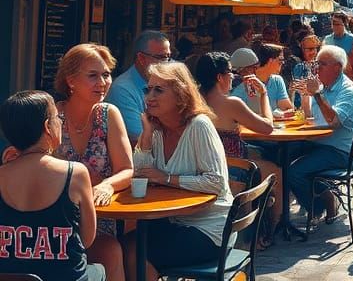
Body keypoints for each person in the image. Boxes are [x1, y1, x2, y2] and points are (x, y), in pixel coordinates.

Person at [125, 62, 232, 281]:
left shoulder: (198, 126)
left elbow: (216, 182)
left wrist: (166, 178)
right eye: (148, 89)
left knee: (138, 254)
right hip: (176, 219)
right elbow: (141, 175)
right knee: (123, 244)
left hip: (209, 228)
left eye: (159, 90)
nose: (149, 97)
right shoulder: (157, 128)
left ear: (180, 94)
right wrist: (146, 136)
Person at [0, 90, 103, 281]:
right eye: (58, 117)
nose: (61, 122)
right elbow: (87, 239)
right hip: (66, 277)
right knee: (99, 270)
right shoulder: (75, 173)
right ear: (48, 126)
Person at [54, 44, 133, 281]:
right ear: (70, 81)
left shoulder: (108, 114)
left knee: (111, 250)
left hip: (98, 217)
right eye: (93, 75)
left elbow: (127, 170)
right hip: (58, 219)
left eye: (106, 74)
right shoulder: (52, 117)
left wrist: (107, 185)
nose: (103, 82)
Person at [193, 53, 282, 239]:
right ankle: (271, 231)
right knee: (276, 171)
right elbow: (267, 127)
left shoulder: (193, 102)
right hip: (232, 167)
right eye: (230, 72)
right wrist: (264, 94)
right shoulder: (231, 103)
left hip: (202, 167)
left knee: (260, 156)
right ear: (219, 77)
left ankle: (260, 221)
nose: (233, 76)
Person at [288, 45, 353, 226]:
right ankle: (280, 215)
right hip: (320, 143)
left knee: (294, 171)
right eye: (316, 64)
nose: (316, 68)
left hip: (339, 150)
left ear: (337, 67)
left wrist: (317, 95)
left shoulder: (347, 90)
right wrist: (306, 95)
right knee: (280, 158)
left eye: (321, 64)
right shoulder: (325, 86)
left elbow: (334, 121)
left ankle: (321, 204)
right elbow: (309, 116)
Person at [106, 30, 171, 144]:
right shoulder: (122, 90)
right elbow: (140, 139)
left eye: (168, 57)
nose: (167, 63)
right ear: (141, 58)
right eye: (161, 57)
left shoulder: (170, 82)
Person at [322, 12, 353, 87]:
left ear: (344, 24)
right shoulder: (327, 40)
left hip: (347, 78)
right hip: (331, 79)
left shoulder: (351, 39)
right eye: (333, 24)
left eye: (337, 24)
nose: (334, 27)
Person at [252, 43, 293, 112]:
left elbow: (287, 108)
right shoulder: (249, 81)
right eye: (280, 60)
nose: (283, 63)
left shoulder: (277, 80)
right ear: (270, 61)